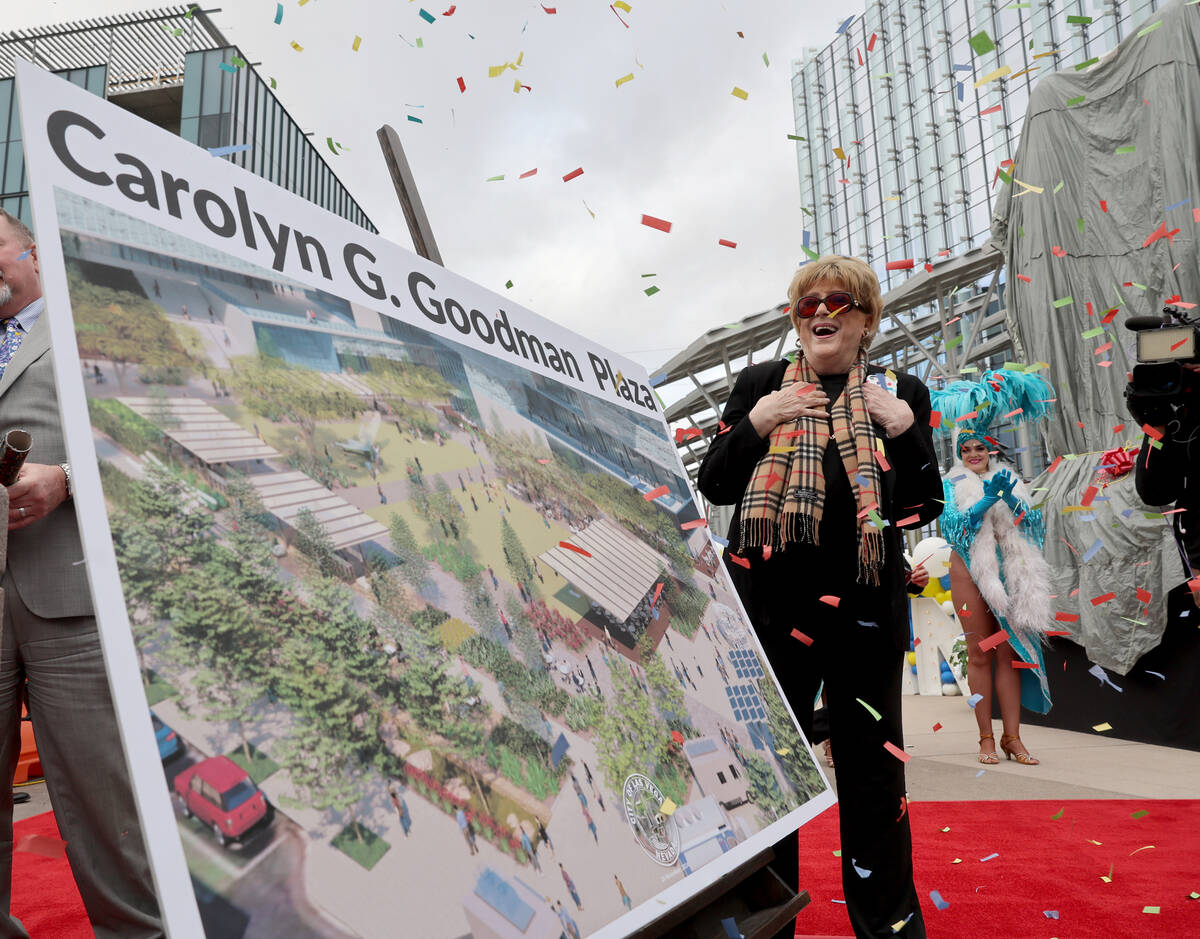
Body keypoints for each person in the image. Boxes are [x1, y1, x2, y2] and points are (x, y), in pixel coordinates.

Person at [698, 254, 942, 939]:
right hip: (774, 617)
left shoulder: (901, 390)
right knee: (767, 785)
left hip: (865, 618)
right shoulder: (759, 383)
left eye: (838, 302)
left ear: (866, 317)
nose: (822, 313)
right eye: (808, 303)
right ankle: (767, 928)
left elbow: (924, 502)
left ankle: (888, 929)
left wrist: (903, 426)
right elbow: (715, 485)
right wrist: (758, 422)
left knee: (873, 788)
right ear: (796, 317)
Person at [0, 210, 163, 935]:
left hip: (73, 597)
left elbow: (150, 441)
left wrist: (67, 475)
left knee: (107, 802)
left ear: (30, 249)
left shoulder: (93, 326)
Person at [932, 370, 1056, 765]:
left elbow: (1035, 527)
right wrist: (985, 502)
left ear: (990, 450)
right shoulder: (951, 485)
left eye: (979, 449)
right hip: (969, 569)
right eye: (966, 450)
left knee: (1009, 654)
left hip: (1009, 569)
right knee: (981, 652)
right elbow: (953, 529)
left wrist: (1015, 503)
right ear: (959, 454)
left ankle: (1013, 737)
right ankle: (986, 738)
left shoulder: (1013, 481)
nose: (973, 455)